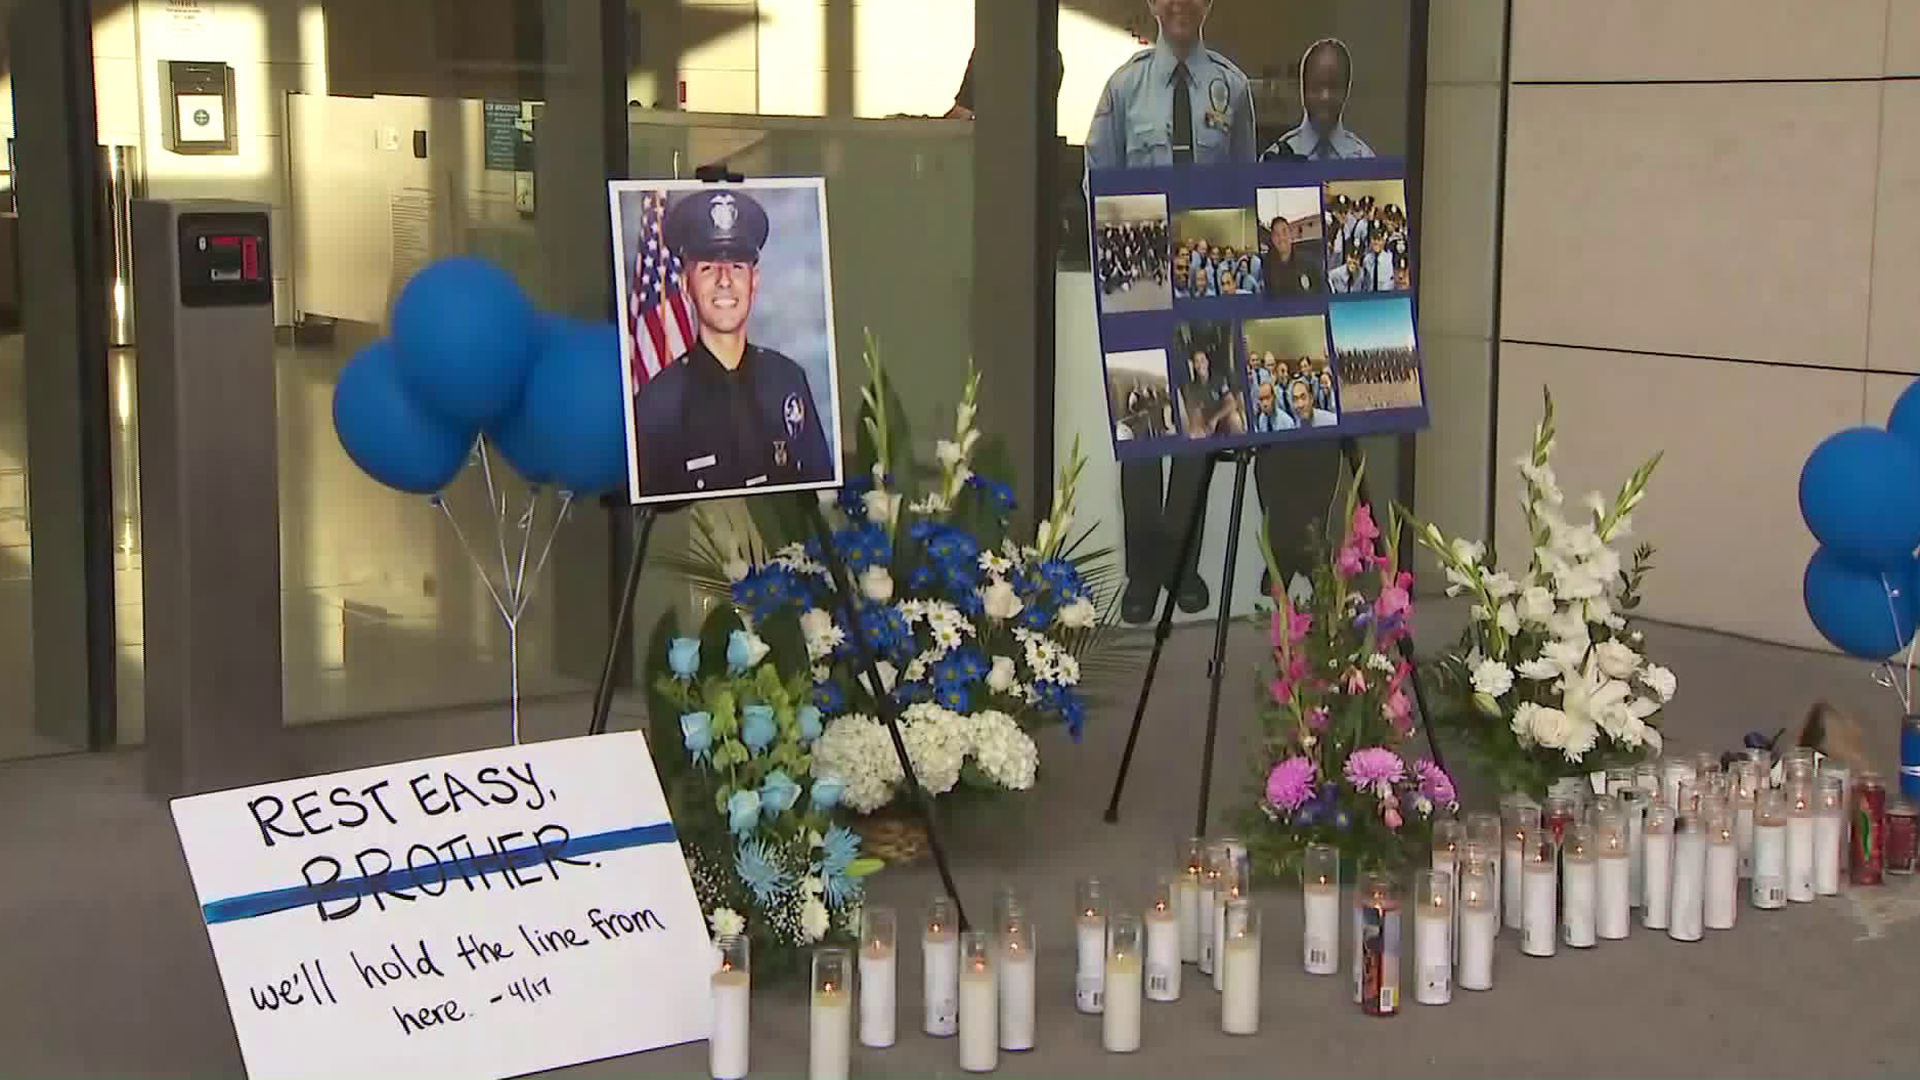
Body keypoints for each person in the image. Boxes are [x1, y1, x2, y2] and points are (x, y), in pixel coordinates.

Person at [631, 188, 833, 498]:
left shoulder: (789, 381)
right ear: (685, 284)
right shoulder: (657, 407)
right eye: (708, 268)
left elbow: (822, 499)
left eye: (737, 266)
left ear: (755, 281)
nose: (724, 280)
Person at [1262, 38, 1374, 161]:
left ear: (1346, 91)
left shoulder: (1364, 159)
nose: (1325, 97)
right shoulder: (1275, 158)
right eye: (1316, 86)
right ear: (1303, 89)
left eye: (1334, 87)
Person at [1262, 213, 1323, 297]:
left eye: (1284, 232)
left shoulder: (1309, 262)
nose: (1281, 238)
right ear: (1273, 239)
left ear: (1291, 234)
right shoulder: (1268, 268)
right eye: (1277, 234)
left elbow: (1322, 291)